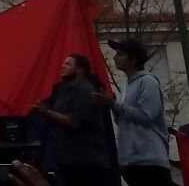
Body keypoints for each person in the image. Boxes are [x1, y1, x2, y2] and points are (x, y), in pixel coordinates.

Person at [93, 39, 172, 186]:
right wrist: (112, 106)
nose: (115, 57)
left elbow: (147, 115)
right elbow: (124, 119)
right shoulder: (128, 85)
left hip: (149, 159)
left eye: (120, 54)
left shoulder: (147, 82)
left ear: (133, 59)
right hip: (131, 160)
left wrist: (114, 104)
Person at [31, 54, 109, 186]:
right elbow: (60, 115)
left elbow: (74, 122)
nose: (63, 66)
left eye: (68, 64)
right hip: (69, 160)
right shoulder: (64, 91)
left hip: (86, 162)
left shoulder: (86, 91)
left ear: (80, 69)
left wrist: (47, 112)